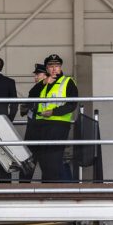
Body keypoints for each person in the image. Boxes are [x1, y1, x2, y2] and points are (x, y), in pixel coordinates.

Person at [30, 54, 78, 182]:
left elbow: (72, 104)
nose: (54, 69)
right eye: (51, 66)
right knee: (44, 160)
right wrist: (43, 82)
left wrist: (54, 112)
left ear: (60, 67)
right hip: (41, 125)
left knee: (53, 160)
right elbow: (31, 96)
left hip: (58, 124)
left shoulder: (68, 81)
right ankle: (47, 188)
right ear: (46, 68)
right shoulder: (43, 83)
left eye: (57, 66)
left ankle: (52, 190)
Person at [19, 63, 46, 182]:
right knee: (29, 160)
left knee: (43, 161)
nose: (35, 77)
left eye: (38, 74)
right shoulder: (36, 88)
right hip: (33, 127)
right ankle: (24, 188)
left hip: (42, 128)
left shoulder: (46, 89)